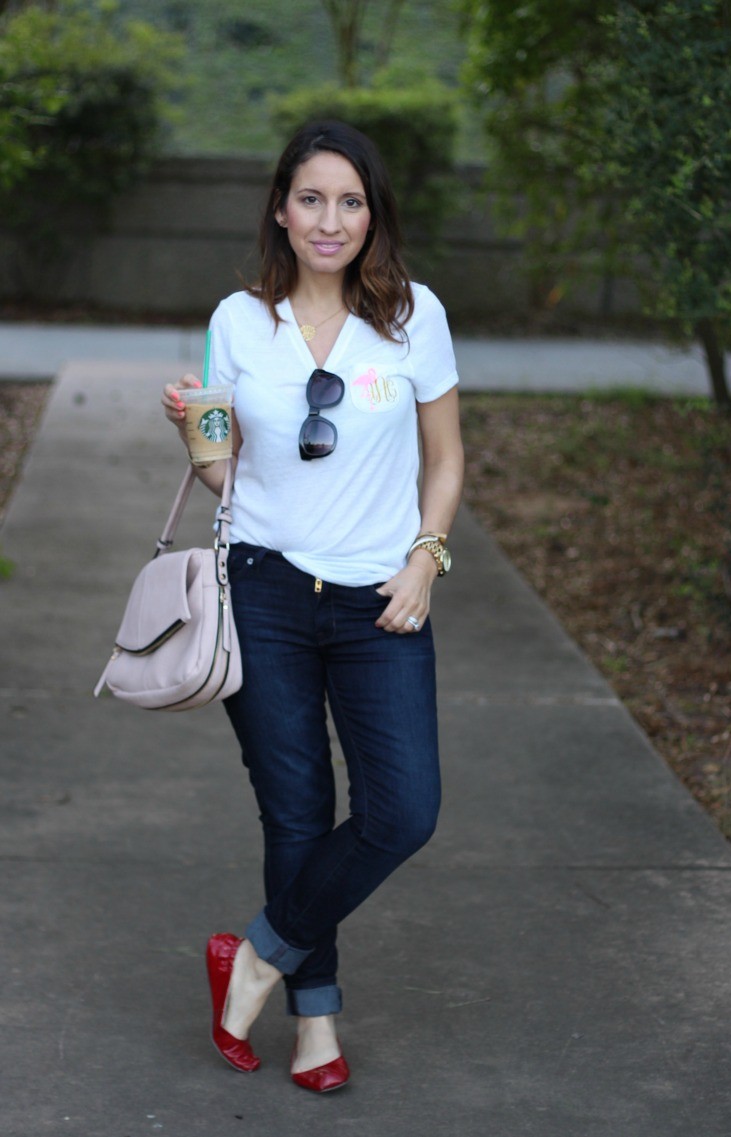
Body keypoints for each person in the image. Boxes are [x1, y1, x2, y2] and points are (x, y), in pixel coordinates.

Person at [162, 119, 464, 1093]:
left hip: (384, 596)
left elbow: (448, 458)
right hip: (268, 589)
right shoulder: (237, 322)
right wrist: (195, 434)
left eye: (350, 201)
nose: (329, 220)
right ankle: (317, 1027)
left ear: (373, 215)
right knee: (297, 813)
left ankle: (254, 956)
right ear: (281, 212)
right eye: (311, 199)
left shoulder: (416, 317)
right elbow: (224, 476)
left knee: (403, 810)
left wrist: (426, 558)